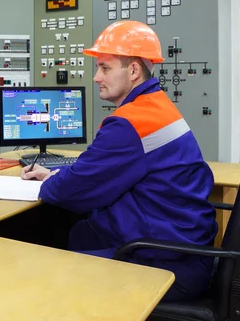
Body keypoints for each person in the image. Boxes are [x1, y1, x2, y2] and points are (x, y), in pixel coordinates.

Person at [21, 20, 217, 301]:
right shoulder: (157, 105)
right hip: (184, 247)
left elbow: (72, 190)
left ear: (134, 70)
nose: (96, 77)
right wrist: (59, 176)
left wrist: (47, 183)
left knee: (52, 273)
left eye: (105, 68)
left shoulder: (130, 123)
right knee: (79, 232)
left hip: (166, 264)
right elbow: (95, 173)